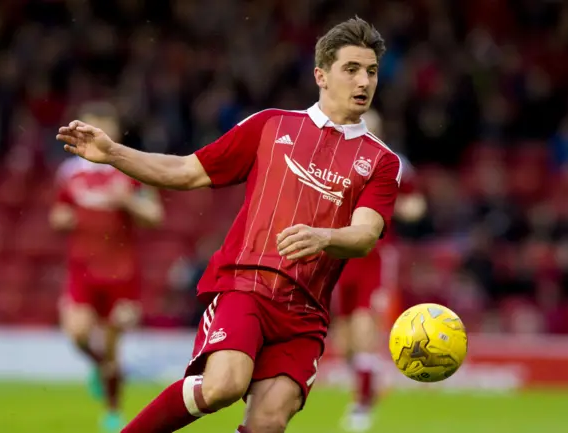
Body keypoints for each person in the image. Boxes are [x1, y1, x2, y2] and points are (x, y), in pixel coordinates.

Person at [56, 17, 401, 433]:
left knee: (269, 420)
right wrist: (114, 153)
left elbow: (364, 235)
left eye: (371, 71)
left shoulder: (382, 161)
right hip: (247, 286)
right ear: (321, 75)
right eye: (351, 69)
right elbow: (186, 171)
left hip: (305, 313)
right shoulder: (271, 125)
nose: (363, 81)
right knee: (223, 385)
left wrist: (323, 236)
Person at [50, 101, 164, 431]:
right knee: (78, 334)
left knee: (114, 350)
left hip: (121, 274)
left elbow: (155, 216)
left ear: (113, 130)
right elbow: (57, 215)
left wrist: (127, 201)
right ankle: (98, 366)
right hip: (81, 272)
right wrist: (62, 219)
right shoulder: (69, 173)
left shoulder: (131, 167)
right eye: (87, 123)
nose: (93, 129)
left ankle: (112, 413)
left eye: (101, 123)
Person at [333, 109, 426, 432]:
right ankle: (372, 381)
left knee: (363, 328)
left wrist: (386, 203)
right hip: (339, 257)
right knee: (343, 342)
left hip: (374, 255)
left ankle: (361, 406)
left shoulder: (394, 163)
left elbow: (416, 206)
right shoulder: (336, 160)